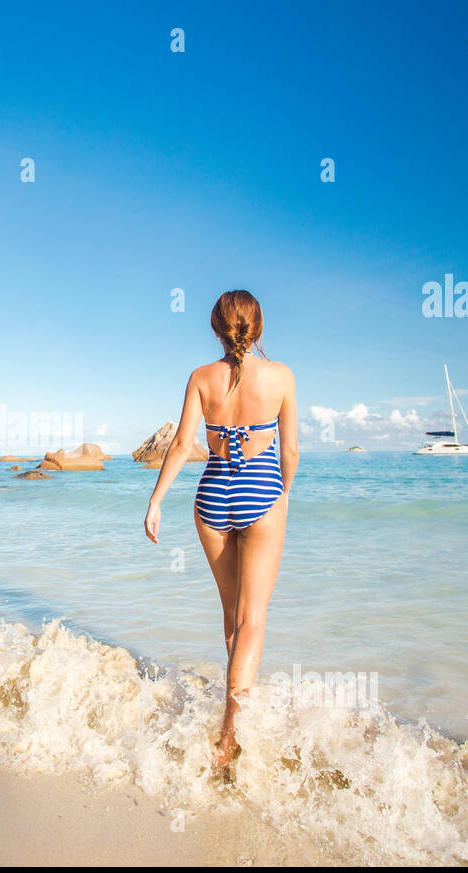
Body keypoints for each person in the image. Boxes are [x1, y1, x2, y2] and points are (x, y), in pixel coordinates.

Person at [143, 290, 298, 781]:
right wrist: (283, 493)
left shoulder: (200, 377)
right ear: (258, 326)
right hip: (261, 492)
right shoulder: (281, 377)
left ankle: (235, 704)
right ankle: (229, 734)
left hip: (211, 497)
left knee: (232, 614)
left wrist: (156, 500)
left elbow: (183, 443)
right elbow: (290, 450)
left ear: (216, 328)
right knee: (254, 618)